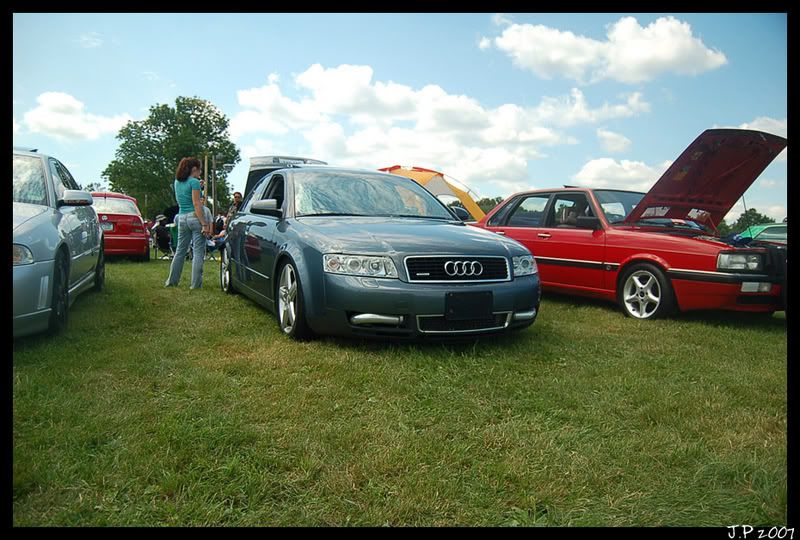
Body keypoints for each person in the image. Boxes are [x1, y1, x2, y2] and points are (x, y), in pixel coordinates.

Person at [165, 157, 213, 288]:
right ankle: (195, 284)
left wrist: (199, 187)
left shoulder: (177, 182)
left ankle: (172, 281)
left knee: (180, 251)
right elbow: (197, 203)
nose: (200, 172)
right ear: (194, 169)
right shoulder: (194, 182)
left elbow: (186, 197)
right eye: (199, 169)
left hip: (182, 217)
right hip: (194, 217)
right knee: (198, 252)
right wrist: (204, 224)